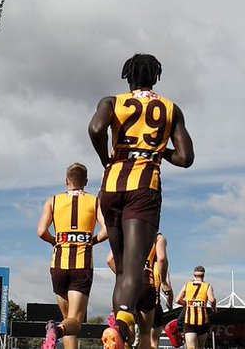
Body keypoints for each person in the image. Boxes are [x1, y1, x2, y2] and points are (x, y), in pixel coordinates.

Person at [89, 54, 194, 349]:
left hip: (111, 184)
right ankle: (121, 323)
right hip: (144, 187)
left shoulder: (111, 102)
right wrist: (158, 152)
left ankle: (118, 328)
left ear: (128, 77)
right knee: (135, 266)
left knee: (122, 269)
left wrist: (106, 157)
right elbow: (186, 157)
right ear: (156, 78)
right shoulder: (171, 109)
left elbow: (96, 129)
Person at [36, 163, 108, 349]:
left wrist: (54, 241)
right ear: (85, 181)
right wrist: (93, 240)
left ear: (66, 181)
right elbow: (106, 230)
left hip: (58, 265)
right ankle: (56, 331)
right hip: (81, 266)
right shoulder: (94, 201)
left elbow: (41, 231)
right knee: (74, 322)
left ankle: (58, 330)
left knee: (68, 320)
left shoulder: (53, 200)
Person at [107, 233, 170, 349]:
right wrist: (165, 282)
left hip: (127, 286)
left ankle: (126, 332)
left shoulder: (125, 234)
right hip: (147, 285)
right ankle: (128, 330)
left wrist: (124, 276)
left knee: (124, 334)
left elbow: (110, 259)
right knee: (145, 334)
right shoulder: (157, 238)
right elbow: (161, 259)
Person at [169, 266, 215, 349]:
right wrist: (214, 308)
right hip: (202, 321)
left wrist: (187, 304)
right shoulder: (207, 286)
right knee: (200, 347)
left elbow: (177, 300)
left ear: (194, 275)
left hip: (189, 321)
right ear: (203, 276)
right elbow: (212, 300)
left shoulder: (187, 285)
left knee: (191, 347)